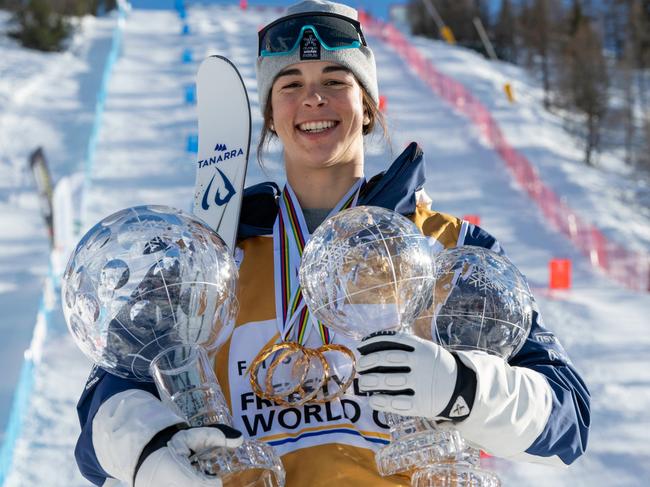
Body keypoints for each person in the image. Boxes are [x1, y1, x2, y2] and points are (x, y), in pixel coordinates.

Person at [74, 1, 590, 486]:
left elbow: (568, 417)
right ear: (271, 119)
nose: (312, 99)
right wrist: (151, 449)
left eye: (335, 81)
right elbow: (107, 394)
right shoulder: (212, 258)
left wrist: (463, 387)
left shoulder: (445, 247)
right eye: (290, 84)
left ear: (367, 106)